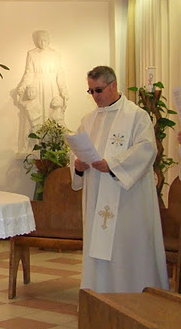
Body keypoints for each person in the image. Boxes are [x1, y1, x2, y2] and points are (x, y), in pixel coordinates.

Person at [71, 65, 168, 293]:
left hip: (127, 200)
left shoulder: (136, 116)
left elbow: (147, 149)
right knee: (98, 247)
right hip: (96, 198)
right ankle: (98, 295)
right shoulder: (88, 120)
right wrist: (77, 164)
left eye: (98, 90)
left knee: (126, 249)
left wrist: (113, 165)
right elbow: (76, 149)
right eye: (91, 91)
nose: (95, 96)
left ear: (113, 85)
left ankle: (134, 297)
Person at [17, 30, 68, 148]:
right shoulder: (32, 54)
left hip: (51, 87)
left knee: (52, 115)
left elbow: (60, 74)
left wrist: (63, 91)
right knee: (36, 116)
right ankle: (36, 145)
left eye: (45, 40)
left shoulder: (55, 54)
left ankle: (53, 145)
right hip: (37, 87)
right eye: (40, 40)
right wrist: (23, 86)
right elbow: (29, 73)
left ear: (49, 40)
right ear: (36, 41)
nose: (42, 43)